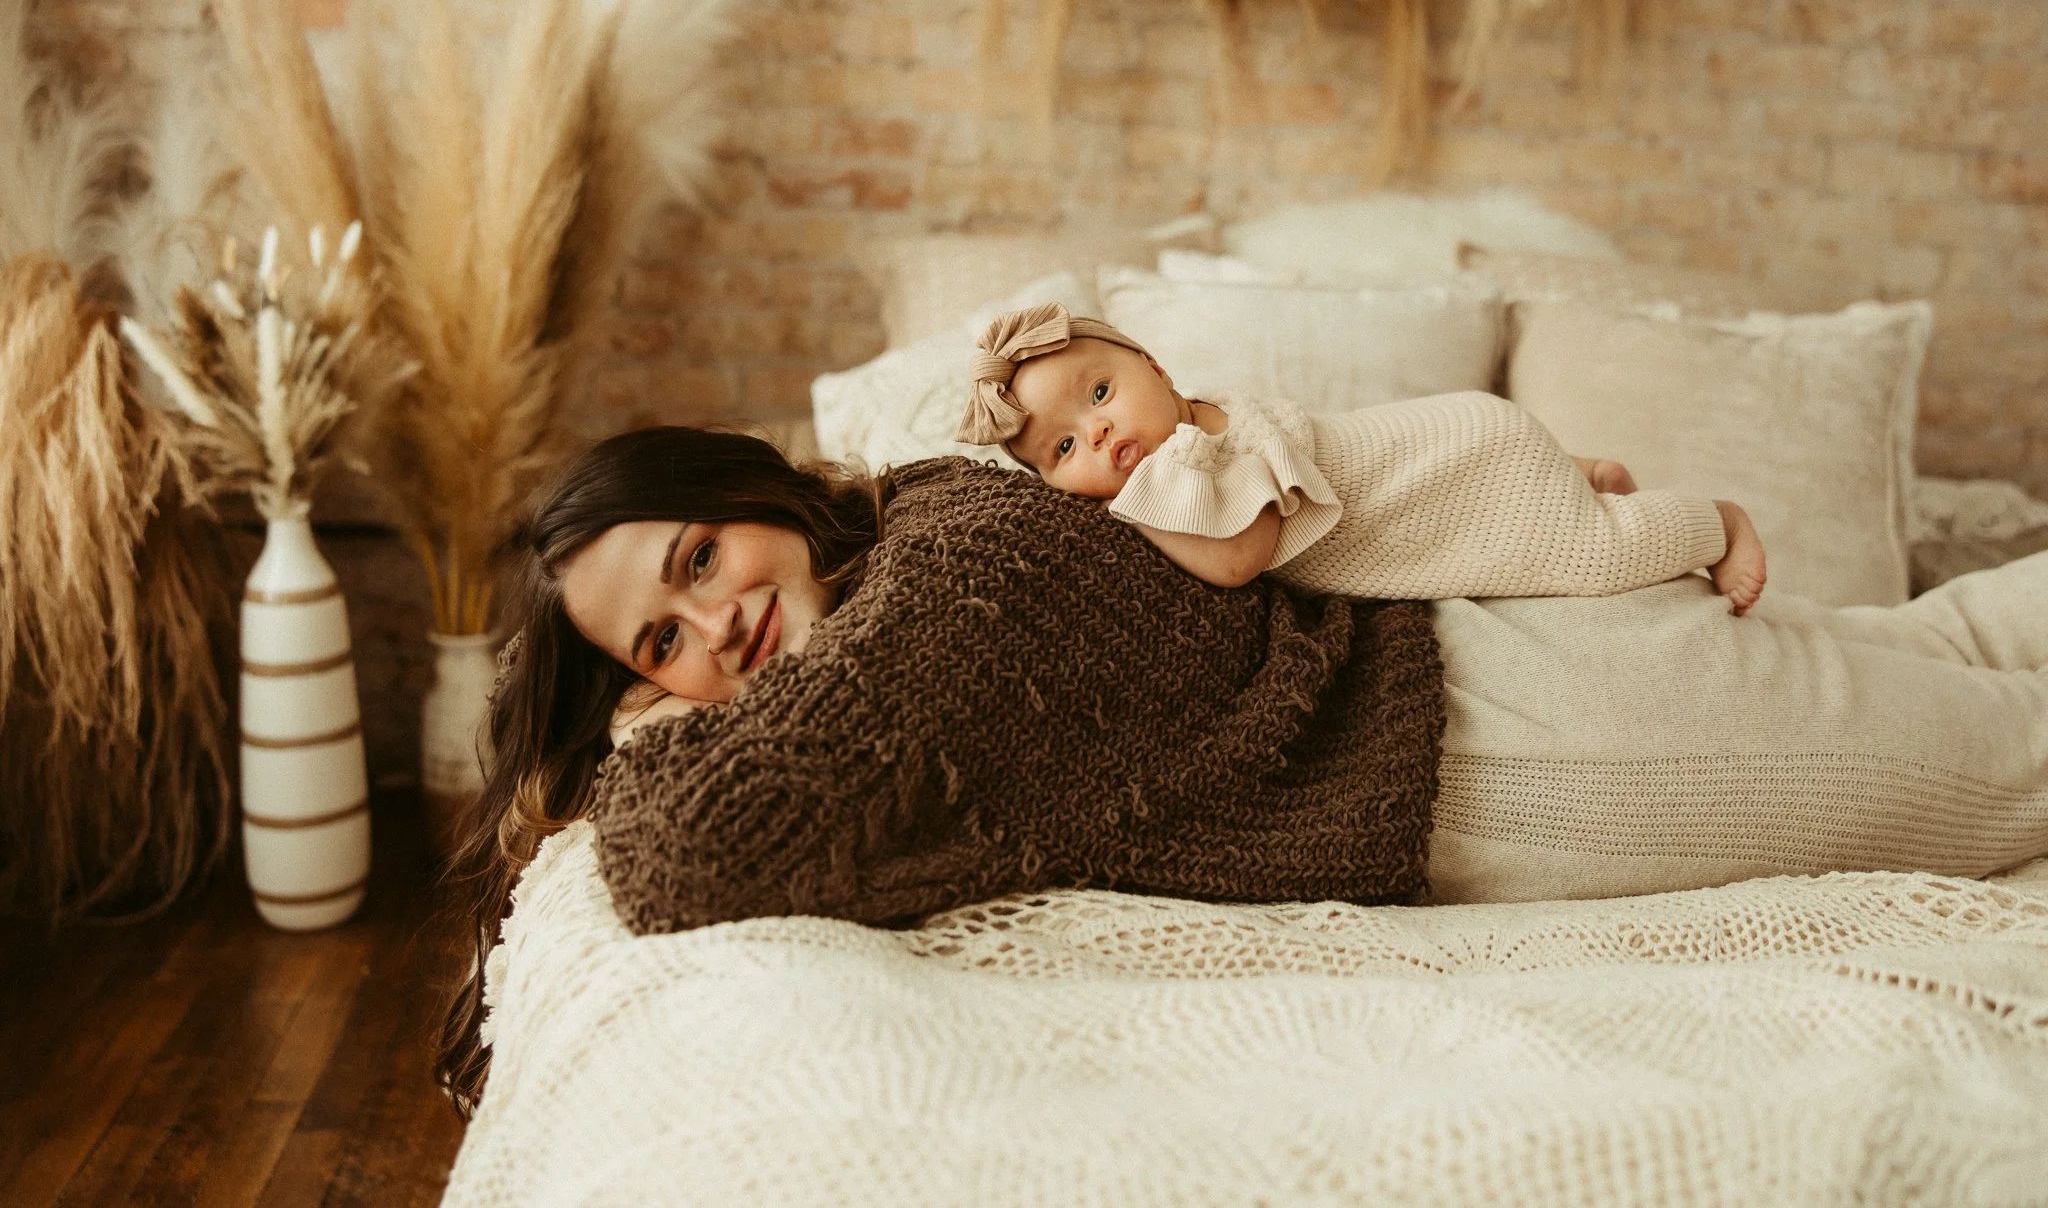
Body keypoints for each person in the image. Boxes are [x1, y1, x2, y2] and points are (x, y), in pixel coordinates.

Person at [437, 424, 2048, 1117]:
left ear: (748, 492)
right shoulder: (918, 521)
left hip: (1556, 740)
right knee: (1968, 640)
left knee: (2020, 774)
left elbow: (693, 846)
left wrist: (646, 739)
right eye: (657, 648)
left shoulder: (945, 596)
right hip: (1507, 670)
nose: (712, 629)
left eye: (700, 557)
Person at [953, 301, 1770, 611]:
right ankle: (1584, 470)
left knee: (1591, 552)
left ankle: (1713, 522)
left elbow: (1241, 555)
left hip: (1461, 460)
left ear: (1160, 371)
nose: (1096, 436)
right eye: (1062, 448)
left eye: (1100, 396)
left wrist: (1124, 506)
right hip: (1452, 456)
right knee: (1557, 493)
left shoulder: (1223, 443)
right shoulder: (1175, 457)